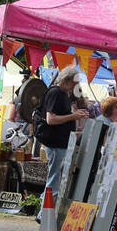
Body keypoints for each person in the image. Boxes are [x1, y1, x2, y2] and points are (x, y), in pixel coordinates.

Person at [35, 66, 88, 195]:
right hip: (55, 143)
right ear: (66, 80)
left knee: (55, 181)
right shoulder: (56, 93)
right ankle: (44, 214)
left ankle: (46, 212)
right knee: (53, 181)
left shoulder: (61, 94)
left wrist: (73, 114)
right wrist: (73, 116)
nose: (74, 86)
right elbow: (51, 119)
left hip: (59, 143)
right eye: (73, 83)